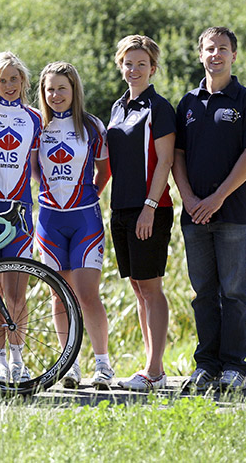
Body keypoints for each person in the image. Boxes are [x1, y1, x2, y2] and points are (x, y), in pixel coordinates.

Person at [172, 27, 246, 392]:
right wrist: (188, 199)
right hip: (194, 216)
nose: (216, 54)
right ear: (200, 54)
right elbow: (177, 156)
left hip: (235, 215)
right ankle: (206, 366)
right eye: (210, 48)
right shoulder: (187, 103)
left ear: (234, 55)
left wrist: (217, 198)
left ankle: (233, 368)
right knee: (203, 294)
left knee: (234, 294)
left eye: (223, 48)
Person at [34, 61, 115, 390]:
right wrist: (47, 189)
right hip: (49, 220)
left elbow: (104, 171)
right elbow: (33, 168)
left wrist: (88, 195)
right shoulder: (37, 125)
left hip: (84, 220)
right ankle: (70, 365)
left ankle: (103, 365)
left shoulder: (92, 126)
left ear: (74, 90)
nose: (55, 95)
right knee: (58, 295)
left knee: (87, 294)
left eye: (62, 89)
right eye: (50, 89)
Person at [106, 35, 175, 391]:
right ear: (121, 66)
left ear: (153, 68)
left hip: (150, 209)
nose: (134, 70)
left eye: (141, 64)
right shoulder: (118, 108)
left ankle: (155, 371)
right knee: (137, 288)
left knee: (151, 287)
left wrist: (149, 207)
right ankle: (150, 368)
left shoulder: (159, 108)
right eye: (128, 63)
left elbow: (165, 161)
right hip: (121, 208)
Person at [0, 52, 42, 384]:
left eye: (14, 78)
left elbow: (39, 167)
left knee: (16, 292)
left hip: (19, 213)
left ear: (23, 81)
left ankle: (18, 359)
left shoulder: (34, 118)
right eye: (2, 80)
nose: (9, 85)